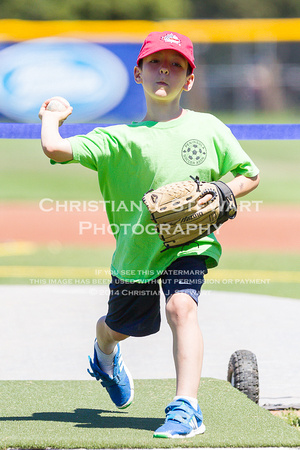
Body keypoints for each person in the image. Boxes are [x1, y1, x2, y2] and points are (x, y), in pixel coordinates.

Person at [39, 31, 260, 439]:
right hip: (136, 255)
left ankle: (186, 408)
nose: (165, 70)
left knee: (181, 308)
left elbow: (250, 174)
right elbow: (55, 149)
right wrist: (51, 116)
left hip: (189, 244)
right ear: (138, 72)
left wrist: (220, 190)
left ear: (189, 80)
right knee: (122, 328)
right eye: (156, 62)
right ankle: (104, 352)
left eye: (177, 64)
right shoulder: (117, 138)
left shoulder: (208, 127)